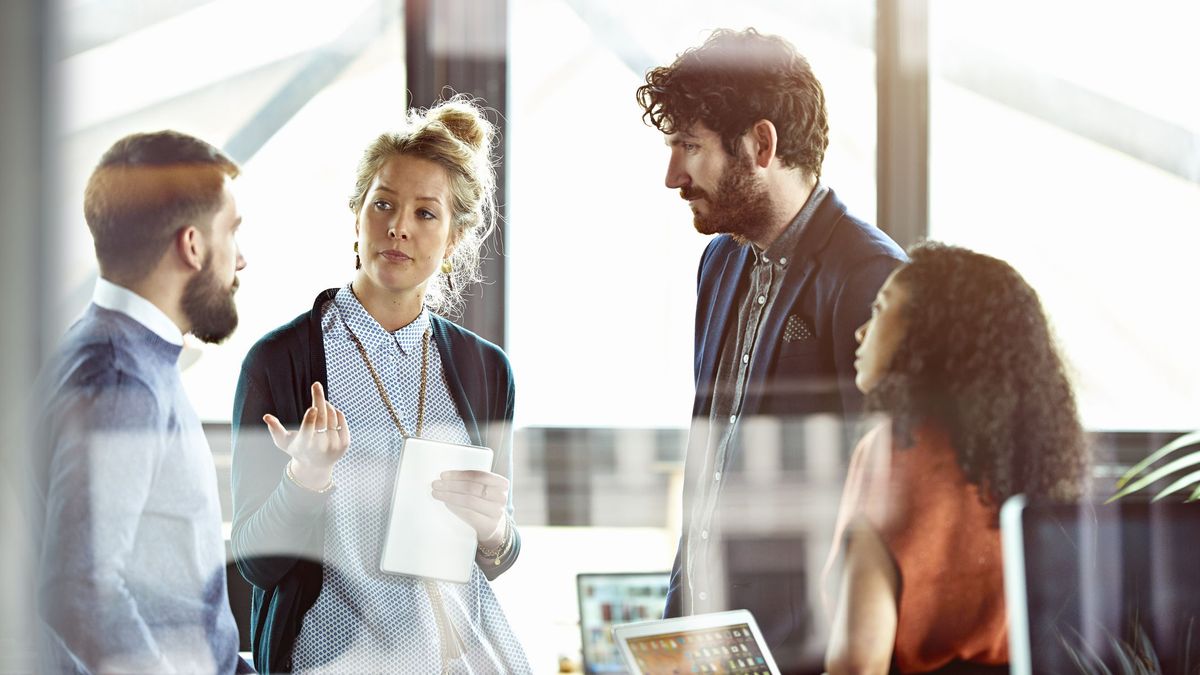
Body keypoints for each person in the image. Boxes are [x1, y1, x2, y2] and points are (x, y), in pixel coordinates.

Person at [635, 28, 906, 669]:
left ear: (762, 144)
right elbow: (711, 462)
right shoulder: (718, 262)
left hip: (809, 653)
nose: (672, 175)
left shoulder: (873, 278)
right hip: (712, 644)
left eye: (689, 148)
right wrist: (678, 627)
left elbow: (888, 506)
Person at [230, 96, 529, 673]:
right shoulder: (281, 361)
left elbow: (495, 553)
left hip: (462, 656)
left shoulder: (486, 370)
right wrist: (305, 478)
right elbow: (255, 564)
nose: (398, 226)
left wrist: (494, 528)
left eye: (425, 213)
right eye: (383, 204)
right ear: (357, 215)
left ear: (456, 238)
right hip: (335, 659)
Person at [32, 131, 250, 672]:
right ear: (192, 245)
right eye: (232, 233)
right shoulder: (119, 379)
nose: (241, 260)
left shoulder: (118, 350)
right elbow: (79, 591)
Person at [823, 242, 1089, 674]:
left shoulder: (893, 451)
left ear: (929, 333)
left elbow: (857, 664)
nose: (860, 331)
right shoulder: (1030, 456)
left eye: (881, 308)